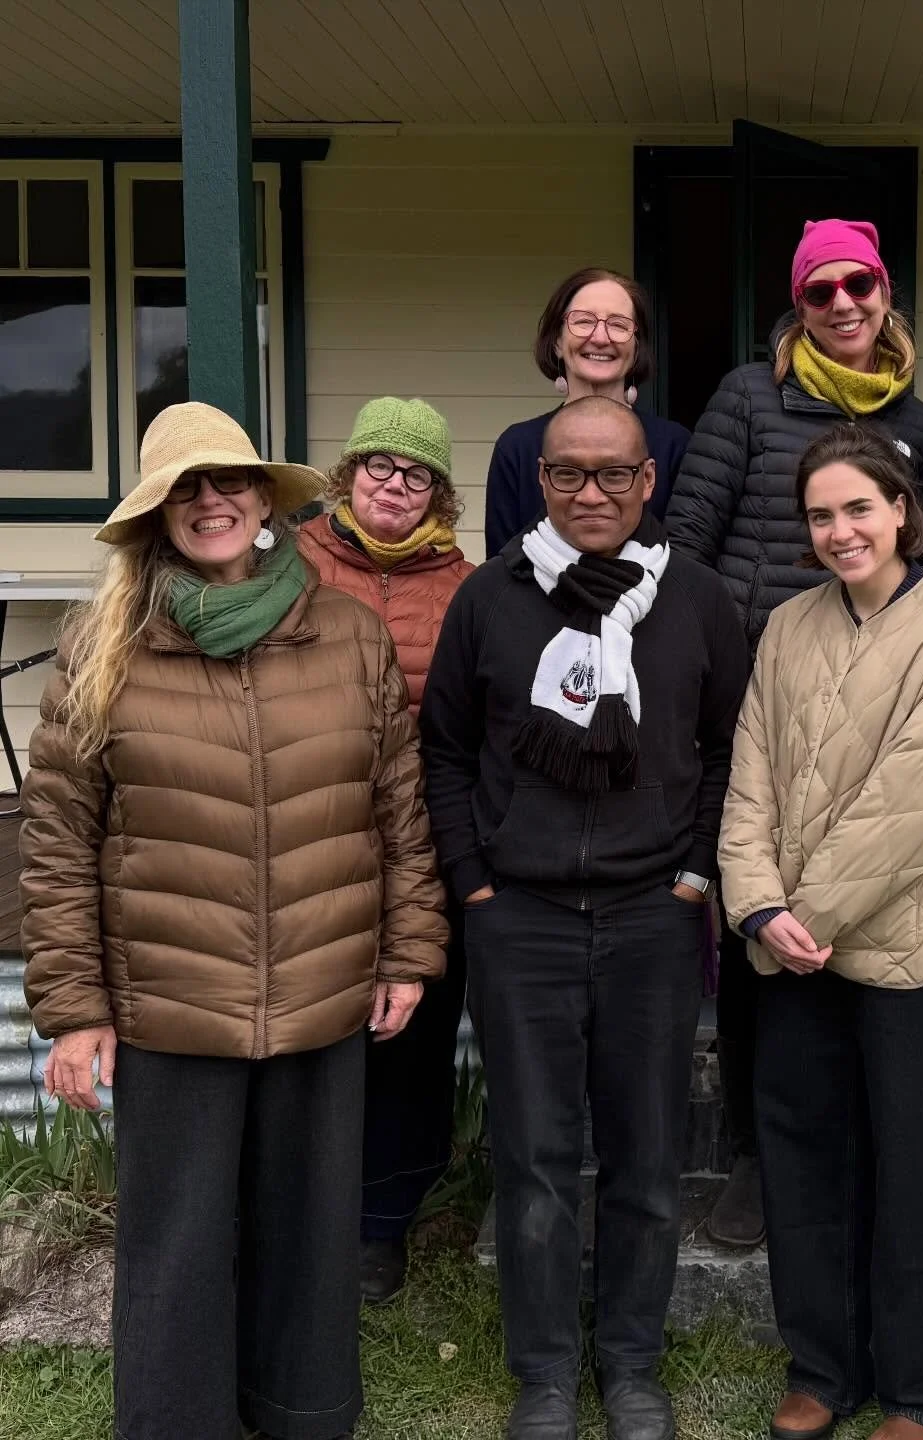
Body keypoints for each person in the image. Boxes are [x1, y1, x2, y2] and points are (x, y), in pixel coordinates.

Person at [19, 401, 448, 1440]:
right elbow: (59, 838)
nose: (211, 503)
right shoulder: (105, 645)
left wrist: (408, 949)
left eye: (231, 482)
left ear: (265, 500)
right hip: (172, 998)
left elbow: (398, 802)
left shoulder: (345, 631)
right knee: (178, 1239)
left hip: (323, 981)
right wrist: (75, 1007)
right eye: (185, 489)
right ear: (155, 518)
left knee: (309, 1230)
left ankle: (299, 1412)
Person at [420, 394, 750, 1440]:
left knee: (647, 1157)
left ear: (649, 479)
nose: (592, 492)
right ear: (541, 480)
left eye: (614, 473)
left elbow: (731, 753)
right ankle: (547, 1374)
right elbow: (446, 751)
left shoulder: (696, 600)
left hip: (655, 916)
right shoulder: (491, 598)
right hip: (519, 918)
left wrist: (696, 875)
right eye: (569, 474)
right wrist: (474, 880)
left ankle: (633, 1364)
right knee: (533, 1158)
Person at [667, 218, 923, 1249]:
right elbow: (688, 543)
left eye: (860, 284)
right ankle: (754, 1151)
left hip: (872, 694)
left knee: (857, 899)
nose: (843, 304)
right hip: (757, 687)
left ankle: (856, 1140)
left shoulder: (914, 419)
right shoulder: (750, 397)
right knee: (760, 915)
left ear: (886, 294)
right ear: (798, 304)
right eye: (821, 289)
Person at [719, 424, 923, 1440]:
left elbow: (916, 801)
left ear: (900, 512)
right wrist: (756, 903)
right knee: (807, 1163)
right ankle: (823, 1367)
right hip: (792, 950)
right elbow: (748, 777)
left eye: (858, 508)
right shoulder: (788, 627)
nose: (841, 530)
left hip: (909, 947)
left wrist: (804, 916)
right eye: (820, 514)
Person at [297, 395, 475, 1303]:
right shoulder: (289, 564)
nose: (394, 487)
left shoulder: (467, 585)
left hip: (423, 847)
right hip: (309, 841)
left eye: (415, 475)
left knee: (410, 1041)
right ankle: (301, 1213)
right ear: (348, 473)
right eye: (379, 467)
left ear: (438, 491)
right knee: (315, 1035)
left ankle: (381, 1226)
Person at [485, 267, 689, 556]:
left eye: (618, 325)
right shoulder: (516, 447)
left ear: (636, 345)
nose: (600, 337)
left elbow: (684, 561)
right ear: (557, 341)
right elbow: (501, 568)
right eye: (583, 322)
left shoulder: (675, 446)